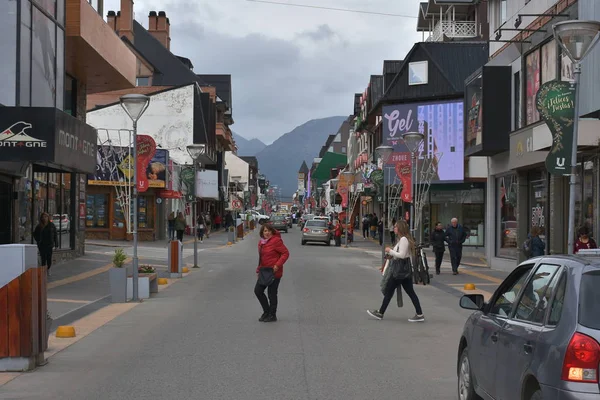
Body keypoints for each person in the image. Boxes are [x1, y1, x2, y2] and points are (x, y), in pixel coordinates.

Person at [367, 220, 425, 322]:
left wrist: (390, 251)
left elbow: (402, 255)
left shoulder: (403, 239)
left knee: (389, 291)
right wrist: (391, 254)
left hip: (399, 271)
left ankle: (380, 313)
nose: (394, 228)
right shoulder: (403, 239)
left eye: (395, 227)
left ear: (400, 228)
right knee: (410, 293)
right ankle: (419, 314)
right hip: (404, 270)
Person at [255, 224, 289, 322]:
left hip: (274, 272)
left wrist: (277, 265)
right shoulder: (261, 243)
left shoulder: (276, 241)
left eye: (269, 231)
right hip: (264, 271)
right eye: (265, 231)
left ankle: (272, 315)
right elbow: (261, 258)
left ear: (272, 232)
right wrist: (258, 270)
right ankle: (266, 312)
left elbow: (285, 253)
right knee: (258, 291)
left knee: (272, 294)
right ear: (262, 233)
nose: (267, 233)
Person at [33, 212, 58, 277]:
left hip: (49, 245)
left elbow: (55, 235)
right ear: (41, 218)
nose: (44, 218)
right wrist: (38, 241)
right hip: (42, 245)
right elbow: (35, 234)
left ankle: (48, 269)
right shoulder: (39, 226)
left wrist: (56, 244)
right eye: (43, 217)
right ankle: (43, 271)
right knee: (43, 259)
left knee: (49, 258)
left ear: (48, 217)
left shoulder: (51, 225)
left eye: (46, 217)